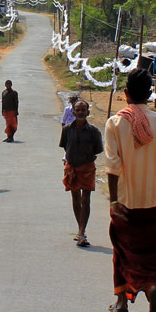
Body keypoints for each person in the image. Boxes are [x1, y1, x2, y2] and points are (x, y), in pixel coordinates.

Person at [102, 67, 156, 312]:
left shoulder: (115, 123)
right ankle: (154, 284)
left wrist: (114, 201)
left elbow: (113, 166)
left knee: (123, 252)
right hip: (154, 201)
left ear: (125, 94)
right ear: (150, 94)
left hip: (125, 201)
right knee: (154, 251)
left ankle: (124, 300)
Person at [59, 98, 103, 247]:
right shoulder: (66, 130)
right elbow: (65, 146)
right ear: (73, 112)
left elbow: (98, 149)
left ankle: (81, 231)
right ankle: (81, 230)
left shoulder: (94, 131)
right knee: (76, 198)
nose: (80, 112)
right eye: (77, 110)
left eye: (83, 110)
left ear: (88, 112)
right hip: (72, 167)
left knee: (86, 200)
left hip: (87, 167)